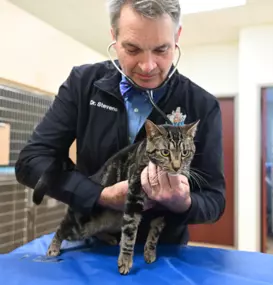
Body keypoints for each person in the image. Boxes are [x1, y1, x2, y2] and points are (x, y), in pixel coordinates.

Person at [15, 0, 225, 245]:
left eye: (161, 50)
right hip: (90, 240)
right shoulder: (82, 84)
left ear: (177, 37)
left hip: (160, 251)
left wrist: (185, 203)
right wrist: (99, 195)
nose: (148, 66)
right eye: (133, 49)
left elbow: (214, 200)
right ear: (113, 37)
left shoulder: (202, 105)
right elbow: (31, 162)